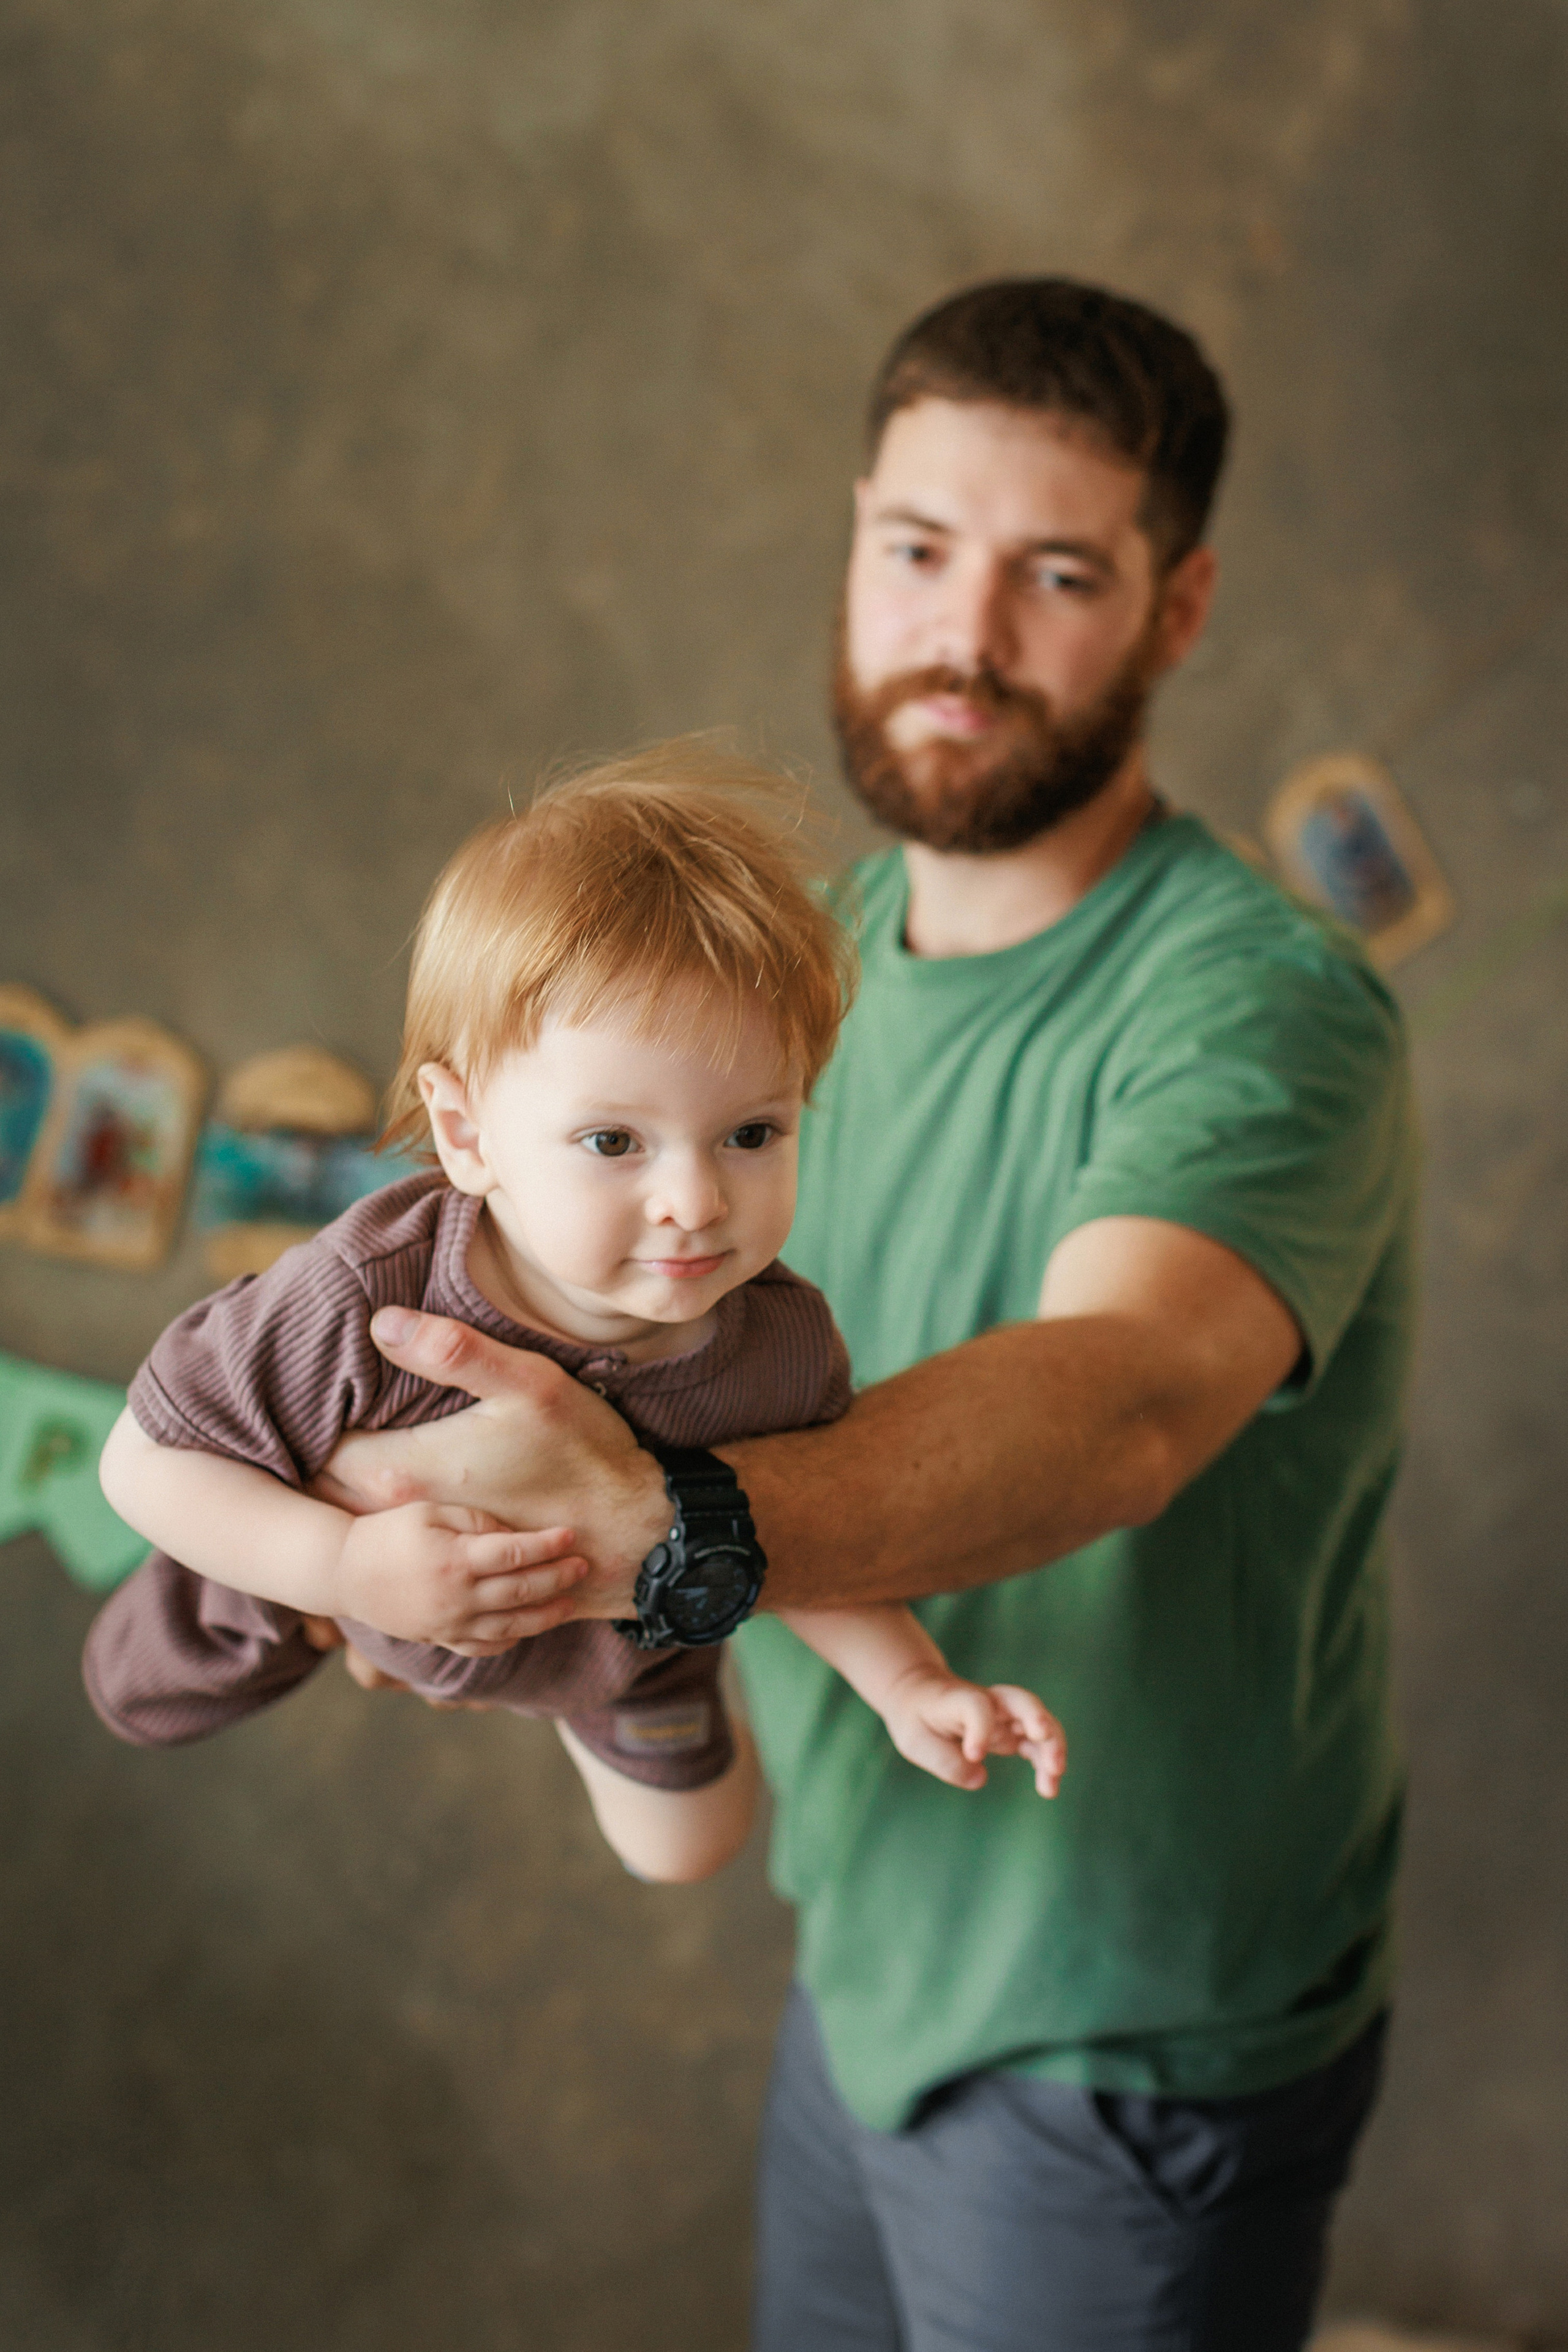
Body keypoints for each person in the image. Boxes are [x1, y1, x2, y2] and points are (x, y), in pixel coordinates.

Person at [236, 282, 1415, 2350]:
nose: (964, 634)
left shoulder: (1256, 1010)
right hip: (868, 1958)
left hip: (1120, 2022)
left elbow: (1115, 1408)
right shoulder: (806, 972)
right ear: (853, 538)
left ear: (1178, 604)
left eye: (1058, 573)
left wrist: (639, 1519)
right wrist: (389, 1514)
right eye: (917, 550)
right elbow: (579, 1317)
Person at [85, 751, 1066, 1885]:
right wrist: (343, 1570)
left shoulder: (785, 1347)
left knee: (689, 1848)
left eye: (753, 1133)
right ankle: (301, 1604)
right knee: (142, 1689)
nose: (696, 1202)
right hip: (331, 1550)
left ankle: (551, 1686)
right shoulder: (371, 1292)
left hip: (620, 1642)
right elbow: (143, 1459)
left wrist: (911, 1685)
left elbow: (805, 1551)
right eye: (614, 1142)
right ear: (466, 1135)